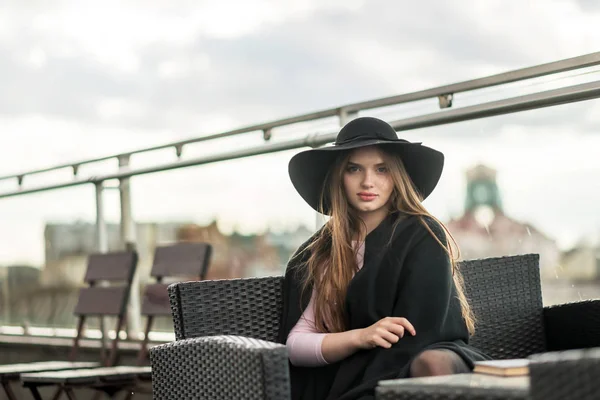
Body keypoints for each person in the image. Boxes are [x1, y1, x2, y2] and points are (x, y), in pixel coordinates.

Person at [278, 117, 491, 400]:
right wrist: (360, 336)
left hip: (425, 360)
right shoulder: (320, 252)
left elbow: (423, 333)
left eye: (382, 169)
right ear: (339, 176)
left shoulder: (423, 234)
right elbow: (295, 346)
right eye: (354, 169)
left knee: (431, 363)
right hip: (353, 368)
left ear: (396, 177)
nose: (368, 182)